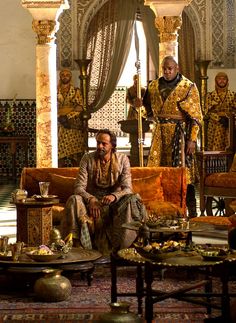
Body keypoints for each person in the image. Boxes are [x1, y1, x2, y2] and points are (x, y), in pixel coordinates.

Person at [60, 129, 146, 255]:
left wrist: (114, 196)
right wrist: (91, 199)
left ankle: (123, 250)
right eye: (98, 143)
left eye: (104, 144)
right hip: (90, 203)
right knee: (74, 199)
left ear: (112, 145)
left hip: (115, 204)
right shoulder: (87, 158)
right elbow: (79, 187)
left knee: (132, 199)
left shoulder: (122, 159)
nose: (100, 146)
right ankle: (76, 248)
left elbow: (128, 188)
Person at [142, 56, 203, 217]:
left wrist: (192, 139)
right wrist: (138, 106)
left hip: (180, 134)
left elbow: (196, 117)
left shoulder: (188, 86)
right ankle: (162, 208)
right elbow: (147, 108)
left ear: (177, 69)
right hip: (160, 134)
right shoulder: (153, 86)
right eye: (165, 69)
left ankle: (191, 211)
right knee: (157, 171)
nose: (167, 71)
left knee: (184, 173)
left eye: (170, 68)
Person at [57, 68, 85, 166]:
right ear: (60, 77)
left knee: (75, 154)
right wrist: (60, 115)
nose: (65, 77)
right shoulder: (55, 90)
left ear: (70, 77)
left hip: (72, 125)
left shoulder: (76, 91)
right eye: (63, 75)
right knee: (59, 154)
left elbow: (80, 108)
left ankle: (76, 177)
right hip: (59, 124)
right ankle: (59, 177)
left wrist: (67, 116)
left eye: (67, 75)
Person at [204, 72, 236, 151]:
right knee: (214, 149)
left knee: (229, 149)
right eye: (219, 79)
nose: (222, 81)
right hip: (214, 126)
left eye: (224, 79)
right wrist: (219, 119)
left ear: (227, 81)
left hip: (229, 126)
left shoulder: (233, 95)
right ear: (216, 81)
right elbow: (207, 112)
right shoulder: (210, 95)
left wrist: (230, 119)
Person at [126, 74, 146, 144]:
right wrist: (133, 104)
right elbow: (127, 99)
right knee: (132, 125)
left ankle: (142, 140)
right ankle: (131, 140)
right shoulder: (130, 89)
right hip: (132, 110)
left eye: (138, 80)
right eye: (135, 79)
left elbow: (146, 99)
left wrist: (141, 103)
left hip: (141, 109)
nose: (136, 81)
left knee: (142, 124)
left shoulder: (143, 89)